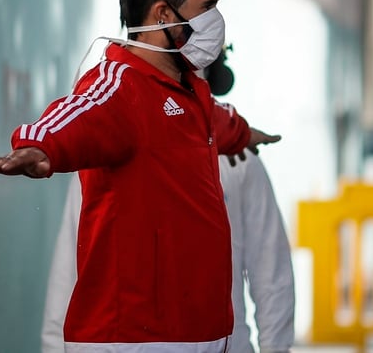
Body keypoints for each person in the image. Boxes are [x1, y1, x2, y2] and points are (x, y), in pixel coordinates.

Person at [0, 0, 280, 351]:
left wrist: (245, 133)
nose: (216, 22)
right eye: (207, 8)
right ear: (163, 14)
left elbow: (215, 124)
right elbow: (79, 112)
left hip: (198, 335)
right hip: (132, 339)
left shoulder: (191, 94)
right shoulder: (119, 87)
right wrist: (39, 144)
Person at [41, 54, 296, 353]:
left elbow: (271, 271)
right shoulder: (103, 159)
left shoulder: (237, 160)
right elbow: (68, 272)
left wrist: (276, 348)